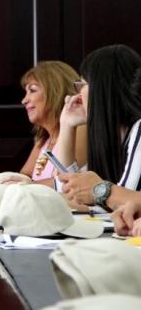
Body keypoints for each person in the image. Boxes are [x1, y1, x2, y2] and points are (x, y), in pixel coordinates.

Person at [56, 44, 141, 210]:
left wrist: (98, 191)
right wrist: (66, 125)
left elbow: (125, 205)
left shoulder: (139, 128)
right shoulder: (113, 135)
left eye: (82, 84)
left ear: (101, 89)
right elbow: (71, 189)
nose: (77, 94)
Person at [18, 61, 87, 184]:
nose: (24, 100)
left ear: (56, 91)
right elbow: (23, 176)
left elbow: (63, 183)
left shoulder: (80, 129)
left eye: (32, 90)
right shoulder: (44, 138)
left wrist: (22, 186)